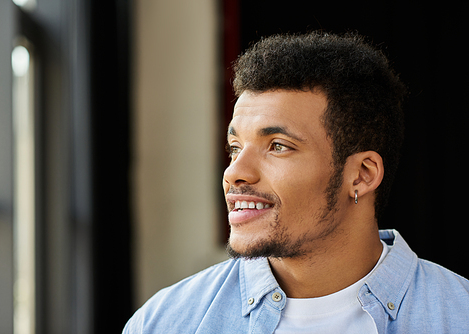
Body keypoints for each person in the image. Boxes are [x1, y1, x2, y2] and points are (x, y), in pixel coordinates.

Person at [122, 32, 469, 333]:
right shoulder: (163, 323)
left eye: (277, 147)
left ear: (362, 175)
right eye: (234, 148)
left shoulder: (458, 316)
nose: (234, 173)